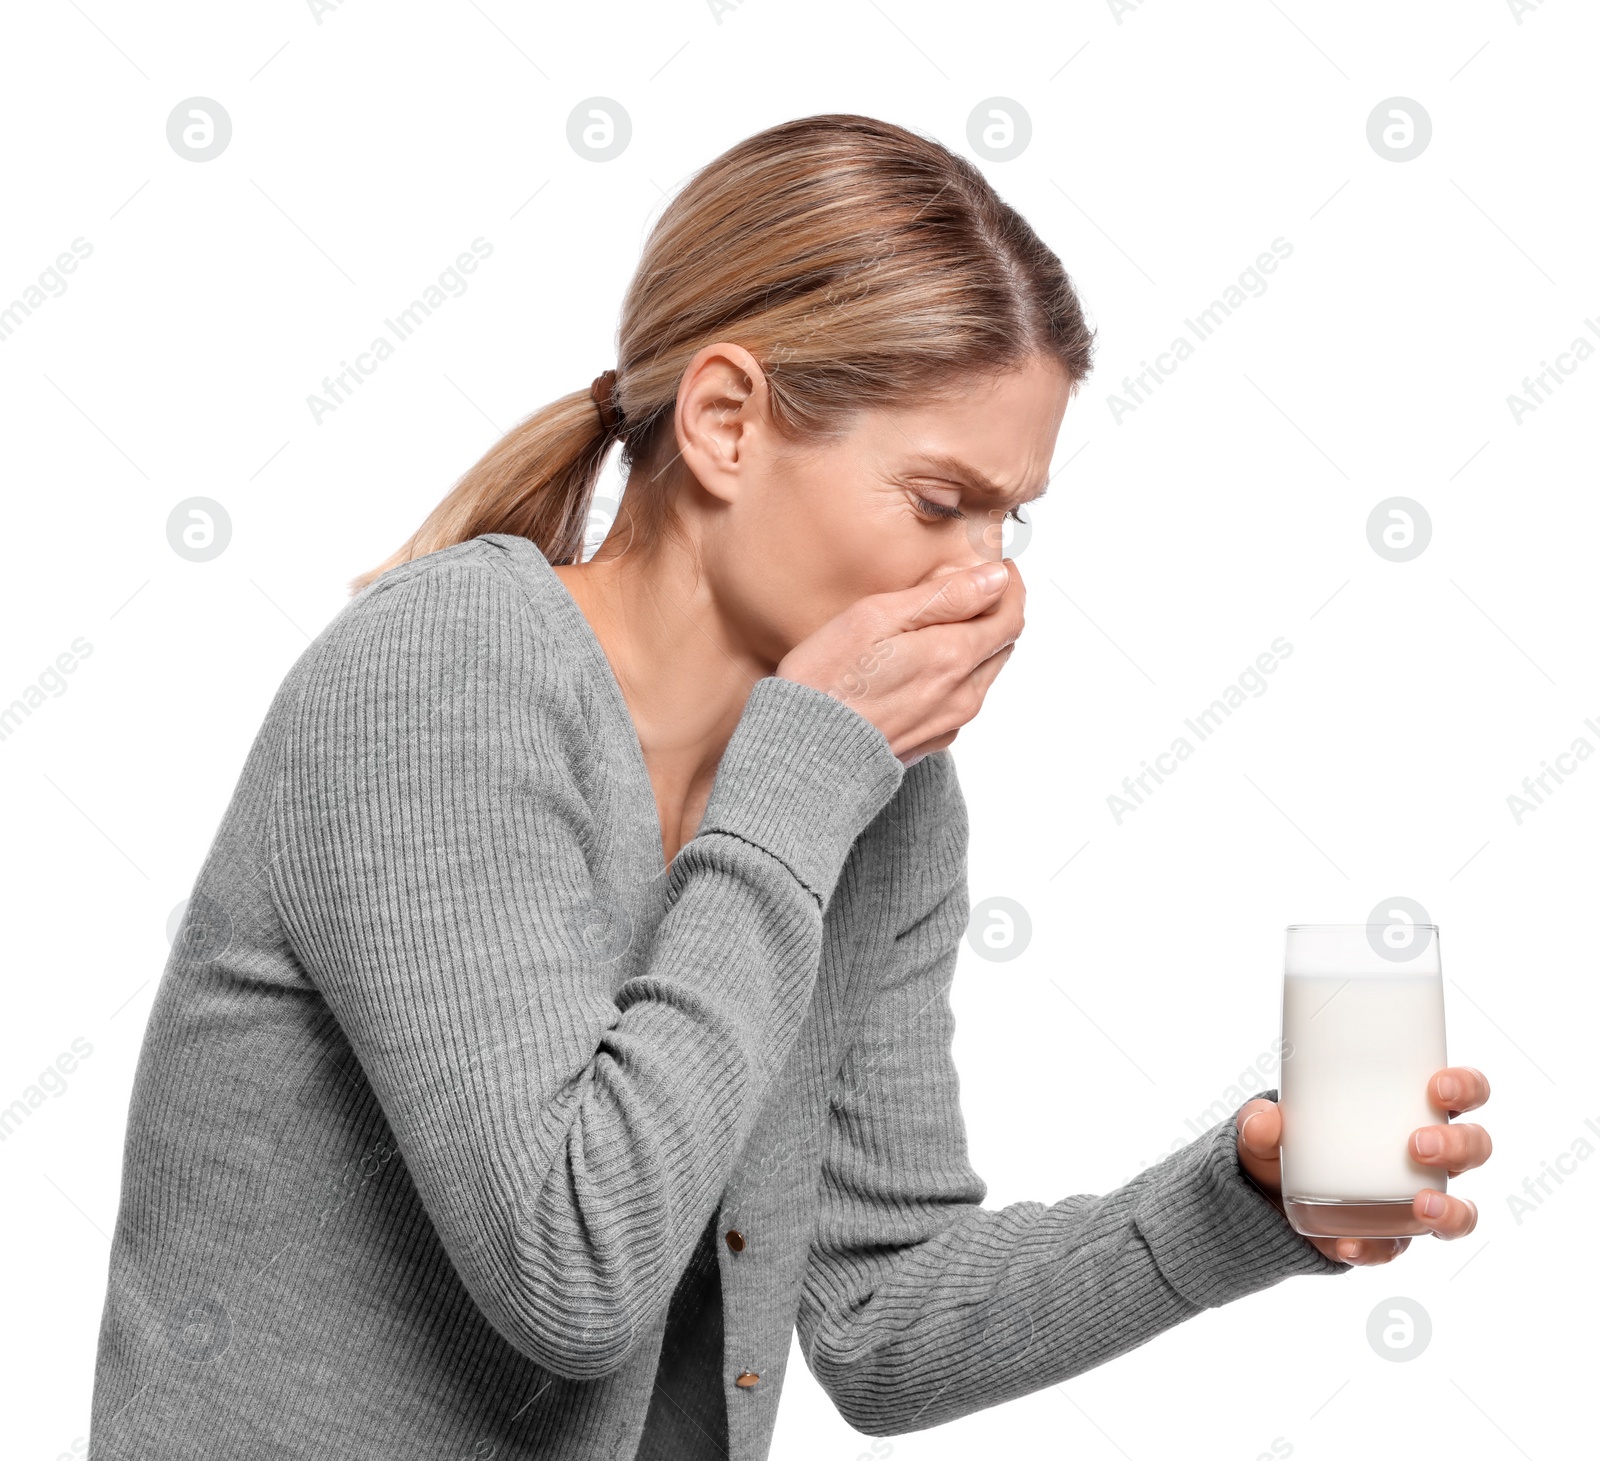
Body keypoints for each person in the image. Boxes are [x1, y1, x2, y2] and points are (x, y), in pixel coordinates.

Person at [88, 113, 1491, 1461]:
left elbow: (882, 1320)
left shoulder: (872, 791)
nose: (987, 573)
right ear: (725, 422)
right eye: (940, 502)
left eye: (1014, 517)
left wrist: (1240, 1205)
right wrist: (801, 787)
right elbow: (570, 1268)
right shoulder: (446, 675)